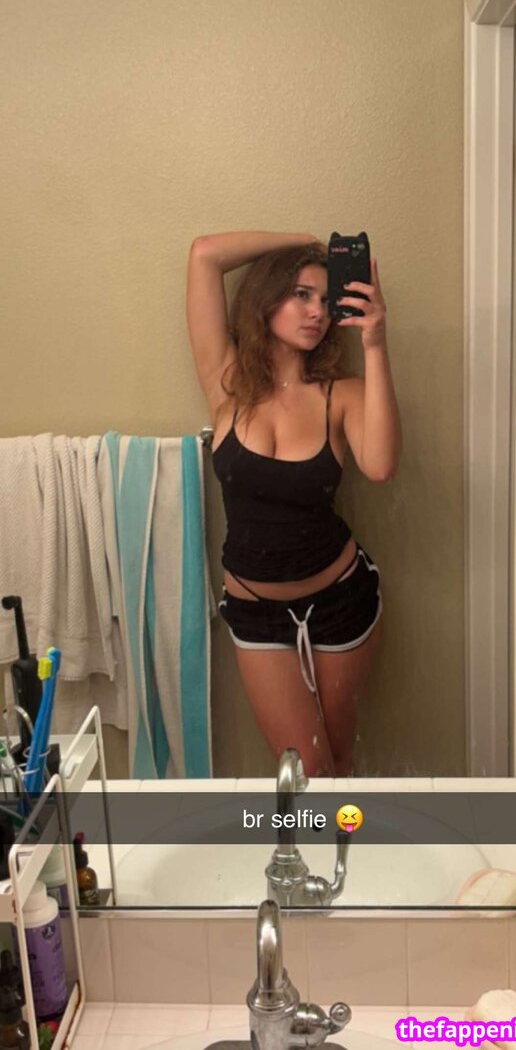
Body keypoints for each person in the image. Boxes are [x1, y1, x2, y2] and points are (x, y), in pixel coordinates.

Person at [186, 231, 401, 776]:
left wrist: (375, 343)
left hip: (340, 600)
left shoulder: (341, 393)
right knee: (304, 769)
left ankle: (346, 837)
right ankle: (306, 838)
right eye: (301, 295)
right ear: (266, 299)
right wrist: (306, 241)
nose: (317, 312)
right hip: (255, 611)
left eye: (326, 300)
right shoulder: (227, 384)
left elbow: (380, 465)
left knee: (337, 763)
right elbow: (204, 255)